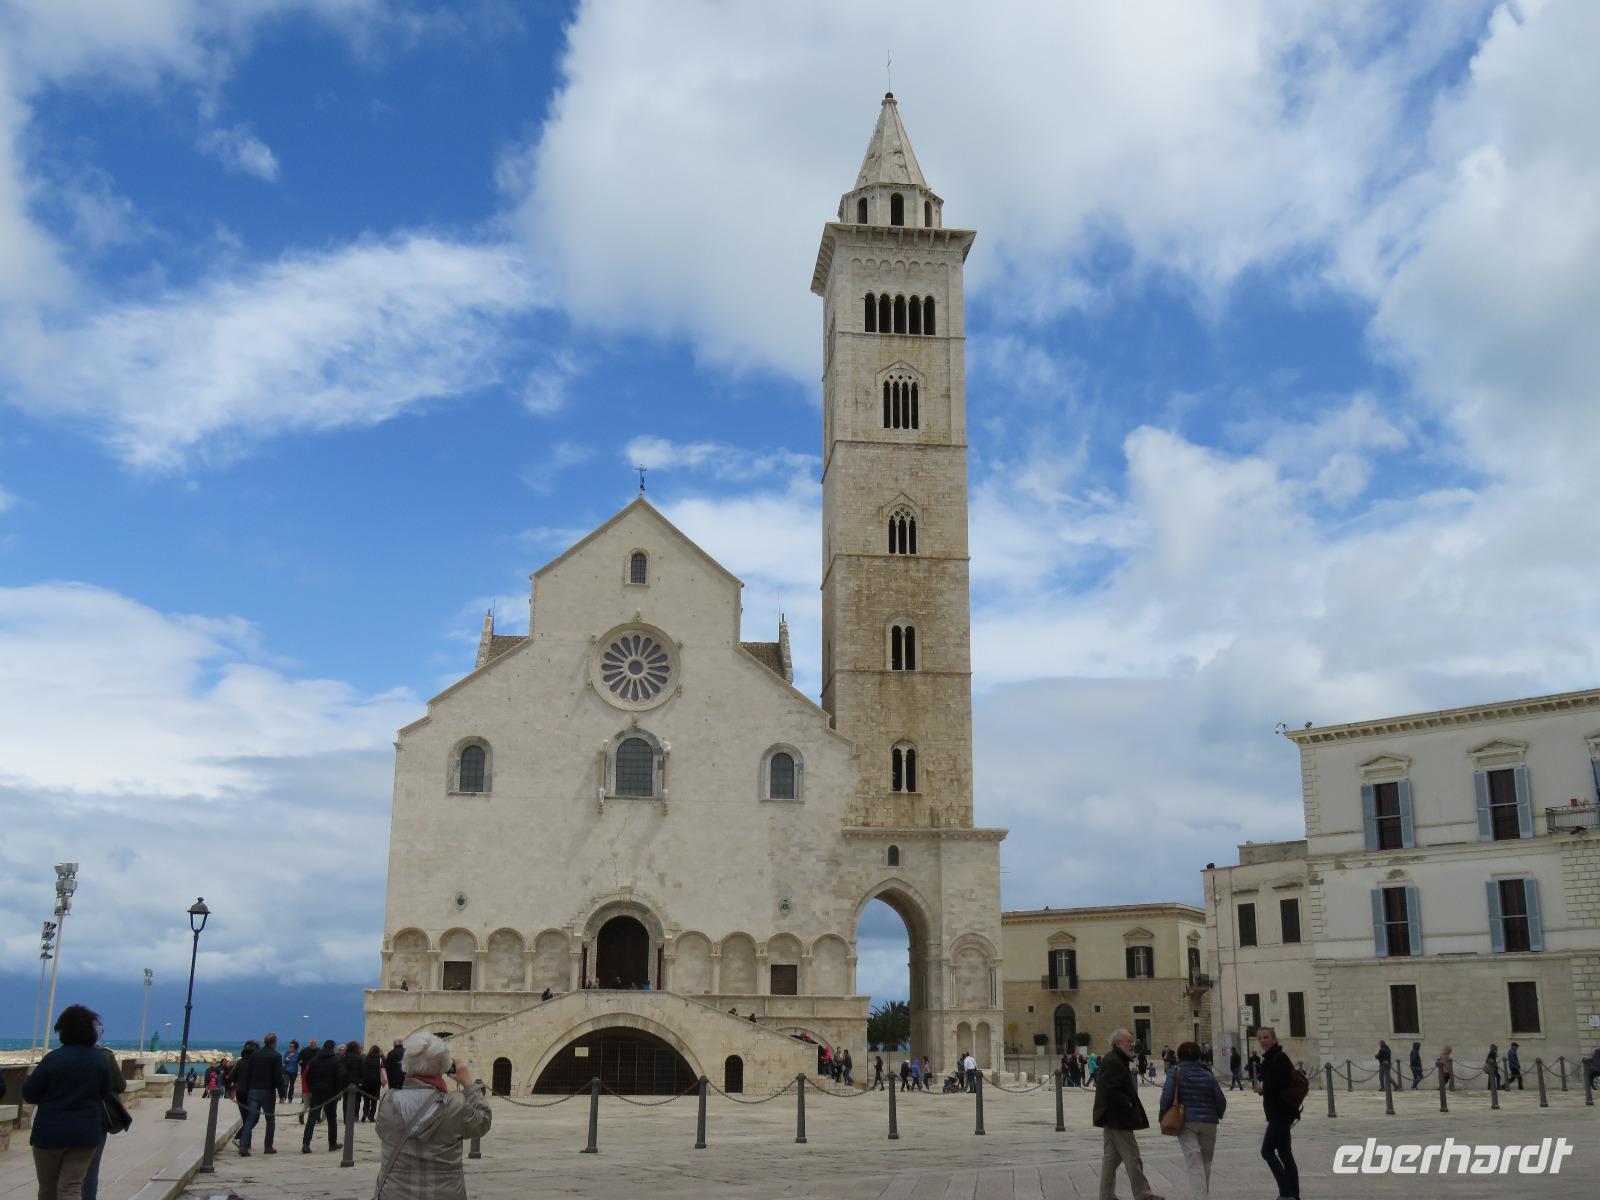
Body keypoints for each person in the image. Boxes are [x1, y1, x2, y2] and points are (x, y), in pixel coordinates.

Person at [374, 1032, 492, 1200]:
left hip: (394, 1193)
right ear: (444, 1067)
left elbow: (381, 1131)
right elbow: (484, 1121)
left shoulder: (388, 1102)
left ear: (407, 1064)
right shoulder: (456, 1105)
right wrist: (468, 1083)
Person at [22, 1003, 117, 1200]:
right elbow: (105, 1092)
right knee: (71, 1188)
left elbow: (29, 1094)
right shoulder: (100, 1060)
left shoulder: (53, 1059)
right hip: (85, 1135)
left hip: (49, 1135)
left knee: (48, 1189)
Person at [1091, 1028, 1161, 1200]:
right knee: (1132, 1157)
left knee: (1111, 1159)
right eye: (1128, 1041)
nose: (1132, 1044)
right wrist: (1127, 1102)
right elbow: (1110, 1089)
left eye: (1132, 1041)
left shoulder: (1115, 1059)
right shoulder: (1114, 1061)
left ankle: (1106, 1196)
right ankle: (1143, 1195)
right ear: (1118, 1043)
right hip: (1118, 1118)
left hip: (1111, 1117)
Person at [1158, 1041, 1225, 1200]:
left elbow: (1167, 1096)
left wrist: (1163, 1114)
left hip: (1186, 1121)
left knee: (1194, 1161)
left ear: (1179, 1056)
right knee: (1206, 1161)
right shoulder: (1208, 1074)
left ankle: (1201, 1197)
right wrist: (1217, 1114)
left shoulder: (1175, 1072)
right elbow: (1220, 1100)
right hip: (1209, 1122)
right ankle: (1203, 1195)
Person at [81, 1017, 127, 1200]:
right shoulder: (105, 1056)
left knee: (62, 1174)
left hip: (59, 1122)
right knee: (91, 1171)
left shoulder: (56, 1056)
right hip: (95, 1119)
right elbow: (120, 1085)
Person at [1255, 1027, 1299, 1200]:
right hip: (1280, 1112)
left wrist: (1264, 1086)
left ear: (1274, 1039)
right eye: (1260, 1038)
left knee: (1267, 1151)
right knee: (1285, 1154)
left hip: (1281, 1113)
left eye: (1266, 1037)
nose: (1263, 1041)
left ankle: (1286, 1192)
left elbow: (1282, 1081)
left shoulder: (1279, 1058)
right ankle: (1294, 1194)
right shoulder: (1270, 1058)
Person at [237, 1032, 284, 1156]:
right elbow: (278, 1076)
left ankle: (243, 1145)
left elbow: (248, 1072)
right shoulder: (276, 1056)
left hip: (253, 1090)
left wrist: (247, 1088)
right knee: (270, 1119)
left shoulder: (255, 1055)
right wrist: (282, 1093)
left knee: (250, 1119)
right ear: (274, 1042)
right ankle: (268, 1146)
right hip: (268, 1091)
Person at [301, 1039, 344, 1152]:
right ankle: (332, 1144)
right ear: (333, 1048)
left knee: (311, 1118)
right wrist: (338, 1092)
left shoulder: (314, 1060)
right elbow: (339, 1077)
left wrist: (311, 1088)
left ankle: (306, 1144)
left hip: (316, 1092)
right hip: (331, 1093)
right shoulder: (336, 1060)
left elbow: (308, 1076)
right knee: (331, 1118)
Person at [341, 1040, 366, 1129]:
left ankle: (345, 1118)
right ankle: (354, 1116)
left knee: (346, 1100)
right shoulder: (360, 1058)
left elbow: (342, 1071)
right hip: (356, 1082)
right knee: (357, 1100)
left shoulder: (344, 1057)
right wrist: (361, 1081)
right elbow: (363, 1070)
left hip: (346, 1082)